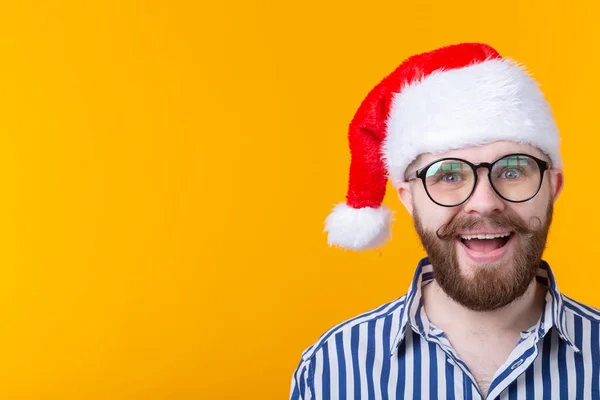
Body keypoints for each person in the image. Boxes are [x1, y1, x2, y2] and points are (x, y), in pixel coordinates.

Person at [289, 42, 600, 399]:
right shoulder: (332, 369)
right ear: (409, 198)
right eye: (449, 176)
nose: (484, 203)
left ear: (552, 186)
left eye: (513, 171)